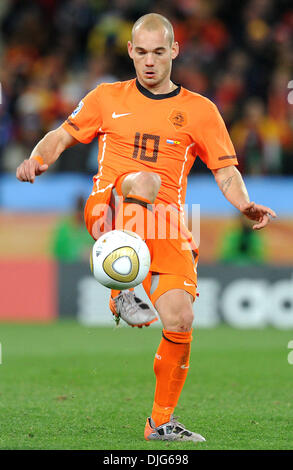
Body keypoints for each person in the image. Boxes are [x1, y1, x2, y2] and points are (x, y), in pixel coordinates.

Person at [16, 13, 276, 443]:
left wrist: (243, 203)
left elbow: (225, 170)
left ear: (174, 51)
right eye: (141, 52)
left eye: (159, 52)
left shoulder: (200, 111)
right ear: (131, 52)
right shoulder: (105, 96)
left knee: (180, 318)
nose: (150, 61)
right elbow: (61, 135)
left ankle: (159, 423)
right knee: (145, 179)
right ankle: (122, 289)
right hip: (110, 210)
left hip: (167, 223)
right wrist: (37, 159)